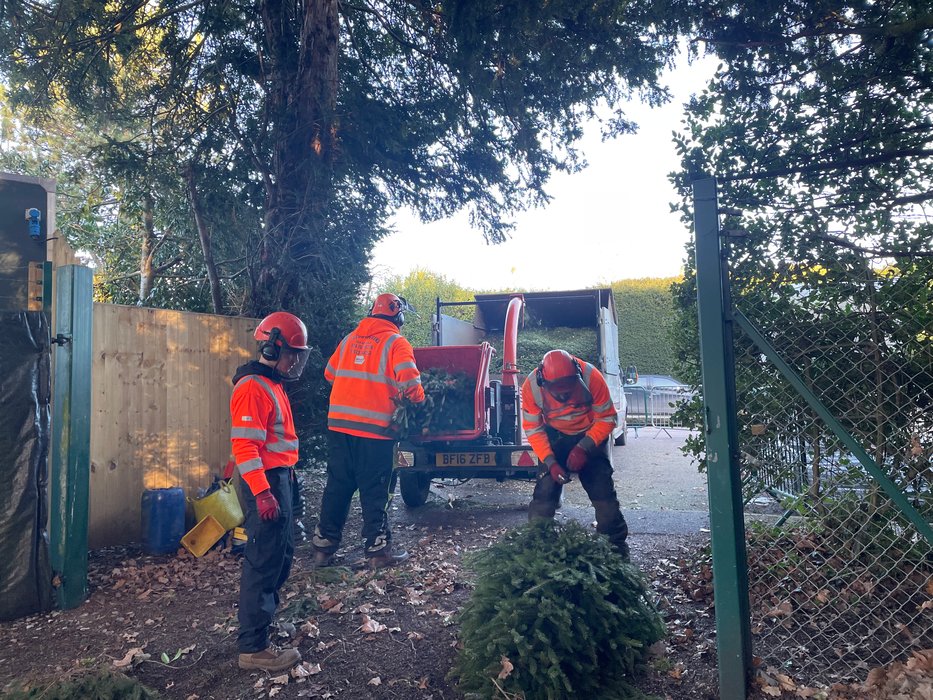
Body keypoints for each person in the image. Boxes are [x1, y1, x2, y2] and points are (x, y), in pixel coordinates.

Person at [312, 293, 425, 569]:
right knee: (376, 489)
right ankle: (377, 551)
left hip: (339, 427)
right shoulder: (396, 343)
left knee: (338, 485)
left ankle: (323, 549)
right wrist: (421, 403)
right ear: (398, 317)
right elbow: (411, 385)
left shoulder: (350, 339)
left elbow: (329, 373)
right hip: (376, 432)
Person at [230, 311, 310, 672]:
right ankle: (253, 648)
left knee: (281, 555)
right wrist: (263, 493)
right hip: (264, 481)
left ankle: (262, 625)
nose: (295, 360)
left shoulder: (271, 383)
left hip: (281, 477)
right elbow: (245, 448)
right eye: (292, 352)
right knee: (263, 560)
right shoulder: (252, 388)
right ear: (272, 347)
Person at [522, 349, 630, 559]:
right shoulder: (532, 387)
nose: (563, 395)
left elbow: (607, 418)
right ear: (544, 380)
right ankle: (538, 547)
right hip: (555, 437)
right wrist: (551, 462)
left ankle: (615, 549)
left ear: (577, 375)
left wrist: (584, 447)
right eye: (557, 390)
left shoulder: (592, 377)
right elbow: (534, 429)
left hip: (590, 433)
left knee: (602, 492)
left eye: (568, 388)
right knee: (544, 493)